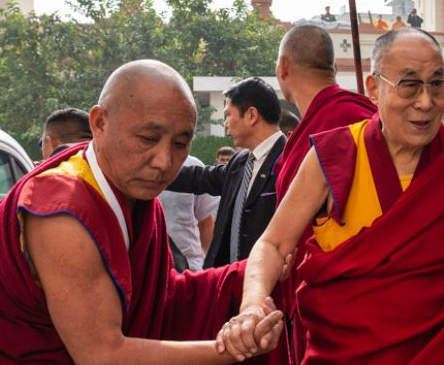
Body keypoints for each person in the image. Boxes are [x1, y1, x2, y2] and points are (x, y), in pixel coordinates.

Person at [218, 27, 444, 365]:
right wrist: (252, 304)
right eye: (409, 86)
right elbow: (273, 245)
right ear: (374, 89)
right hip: (345, 352)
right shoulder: (336, 154)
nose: (426, 102)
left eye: (438, 85)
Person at [0, 59, 282, 363]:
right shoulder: (61, 212)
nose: (163, 161)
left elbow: (163, 299)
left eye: (180, 143)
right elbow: (103, 355)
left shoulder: (136, 199)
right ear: (99, 123)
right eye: (148, 138)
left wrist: (253, 270)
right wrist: (230, 347)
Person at [272, 22, 377, 362]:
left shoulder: (348, 121)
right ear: (333, 69)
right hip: (336, 296)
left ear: (283, 68)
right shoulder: (359, 116)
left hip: (342, 301)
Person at [167, 77, 286, 268]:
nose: (225, 124)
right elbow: (201, 178)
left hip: (267, 283)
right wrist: (156, 170)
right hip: (231, 281)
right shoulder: (240, 163)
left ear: (251, 115)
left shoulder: (290, 161)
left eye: (228, 115)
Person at [158, 155, 220, 271]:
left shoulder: (193, 167)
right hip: (142, 267)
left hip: (190, 266)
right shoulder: (130, 166)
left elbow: (205, 223)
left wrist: (208, 264)